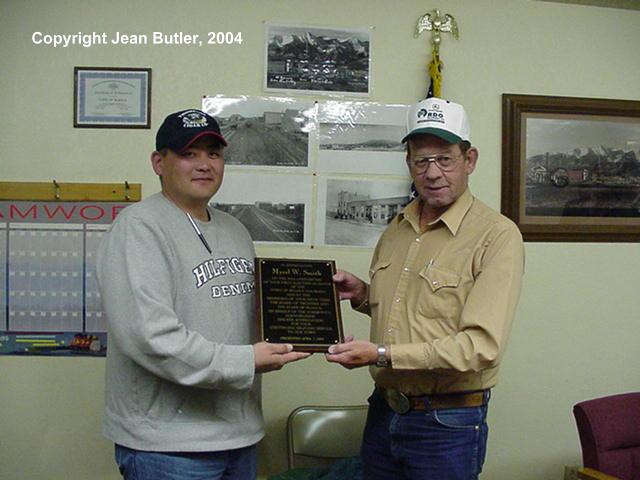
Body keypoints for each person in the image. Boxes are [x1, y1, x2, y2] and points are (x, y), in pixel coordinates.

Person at [96, 109, 310, 480]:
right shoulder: (138, 229)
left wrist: (308, 302)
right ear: (158, 162)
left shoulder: (235, 229)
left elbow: (245, 314)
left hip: (239, 436)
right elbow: (151, 338)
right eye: (188, 154)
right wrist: (247, 361)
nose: (204, 164)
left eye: (213, 153)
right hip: (168, 448)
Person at [326, 97, 525, 480]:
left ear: (470, 160)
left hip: (447, 423)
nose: (432, 172)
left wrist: (381, 353)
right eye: (422, 160)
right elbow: (417, 311)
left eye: (445, 159)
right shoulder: (397, 228)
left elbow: (480, 346)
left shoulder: (496, 236)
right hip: (383, 413)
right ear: (409, 164)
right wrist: (364, 294)